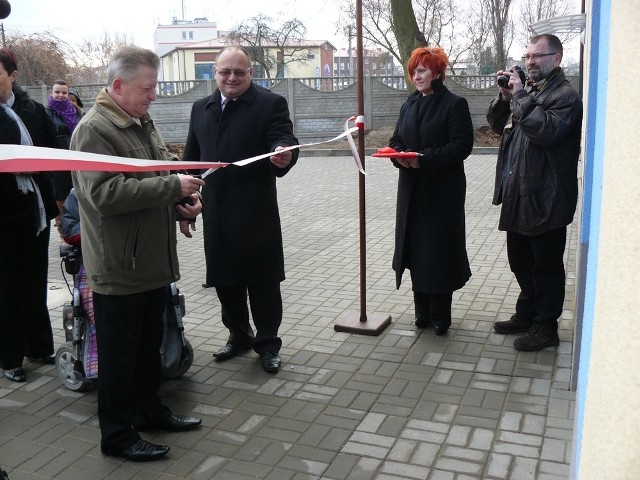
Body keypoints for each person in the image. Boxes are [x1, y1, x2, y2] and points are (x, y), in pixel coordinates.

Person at [70, 45, 205, 462]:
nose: (153, 96)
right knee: (119, 358)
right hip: (119, 266)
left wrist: (182, 198)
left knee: (149, 347)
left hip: (150, 262)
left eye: (154, 86)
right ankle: (117, 436)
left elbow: (161, 166)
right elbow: (103, 194)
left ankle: (150, 412)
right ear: (117, 85)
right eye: (147, 88)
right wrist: (171, 188)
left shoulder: (139, 120)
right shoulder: (94, 130)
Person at [182, 45, 298, 373]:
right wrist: (184, 205)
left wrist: (282, 153)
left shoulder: (269, 103)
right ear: (215, 73)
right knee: (226, 281)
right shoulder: (200, 108)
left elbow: (283, 138)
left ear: (250, 73)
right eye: (225, 72)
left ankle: (267, 344)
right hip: (216, 213)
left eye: (239, 72)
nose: (231, 77)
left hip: (256, 211)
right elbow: (192, 160)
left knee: (263, 283)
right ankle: (238, 335)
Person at [486, 34, 583, 351]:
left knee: (546, 266)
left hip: (547, 197)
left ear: (556, 58)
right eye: (527, 56)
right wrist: (505, 96)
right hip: (519, 194)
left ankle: (546, 326)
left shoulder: (565, 97)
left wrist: (520, 96)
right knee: (520, 261)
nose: (530, 62)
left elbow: (546, 131)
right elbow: (499, 125)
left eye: (537, 56)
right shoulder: (528, 93)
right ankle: (527, 314)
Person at [388, 46, 474, 335]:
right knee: (415, 251)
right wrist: (399, 154)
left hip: (441, 192)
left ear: (437, 71)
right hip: (412, 190)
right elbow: (397, 137)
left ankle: (440, 315)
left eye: (422, 70)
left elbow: (461, 146)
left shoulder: (454, 104)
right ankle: (421, 312)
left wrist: (423, 160)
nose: (417, 76)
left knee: (437, 252)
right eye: (414, 71)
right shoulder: (409, 104)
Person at [0, 47, 59, 383]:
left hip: (34, 212)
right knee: (5, 288)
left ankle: (39, 346)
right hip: (2, 215)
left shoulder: (32, 110)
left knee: (34, 281)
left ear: (13, 75)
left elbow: (55, 152)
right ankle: (9, 356)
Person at [45, 79, 84, 232]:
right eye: (57, 92)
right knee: (60, 202)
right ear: (51, 93)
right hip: (58, 167)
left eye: (64, 92)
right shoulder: (45, 113)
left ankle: (80, 235)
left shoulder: (77, 113)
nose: (61, 95)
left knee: (79, 200)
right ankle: (65, 236)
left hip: (78, 164)